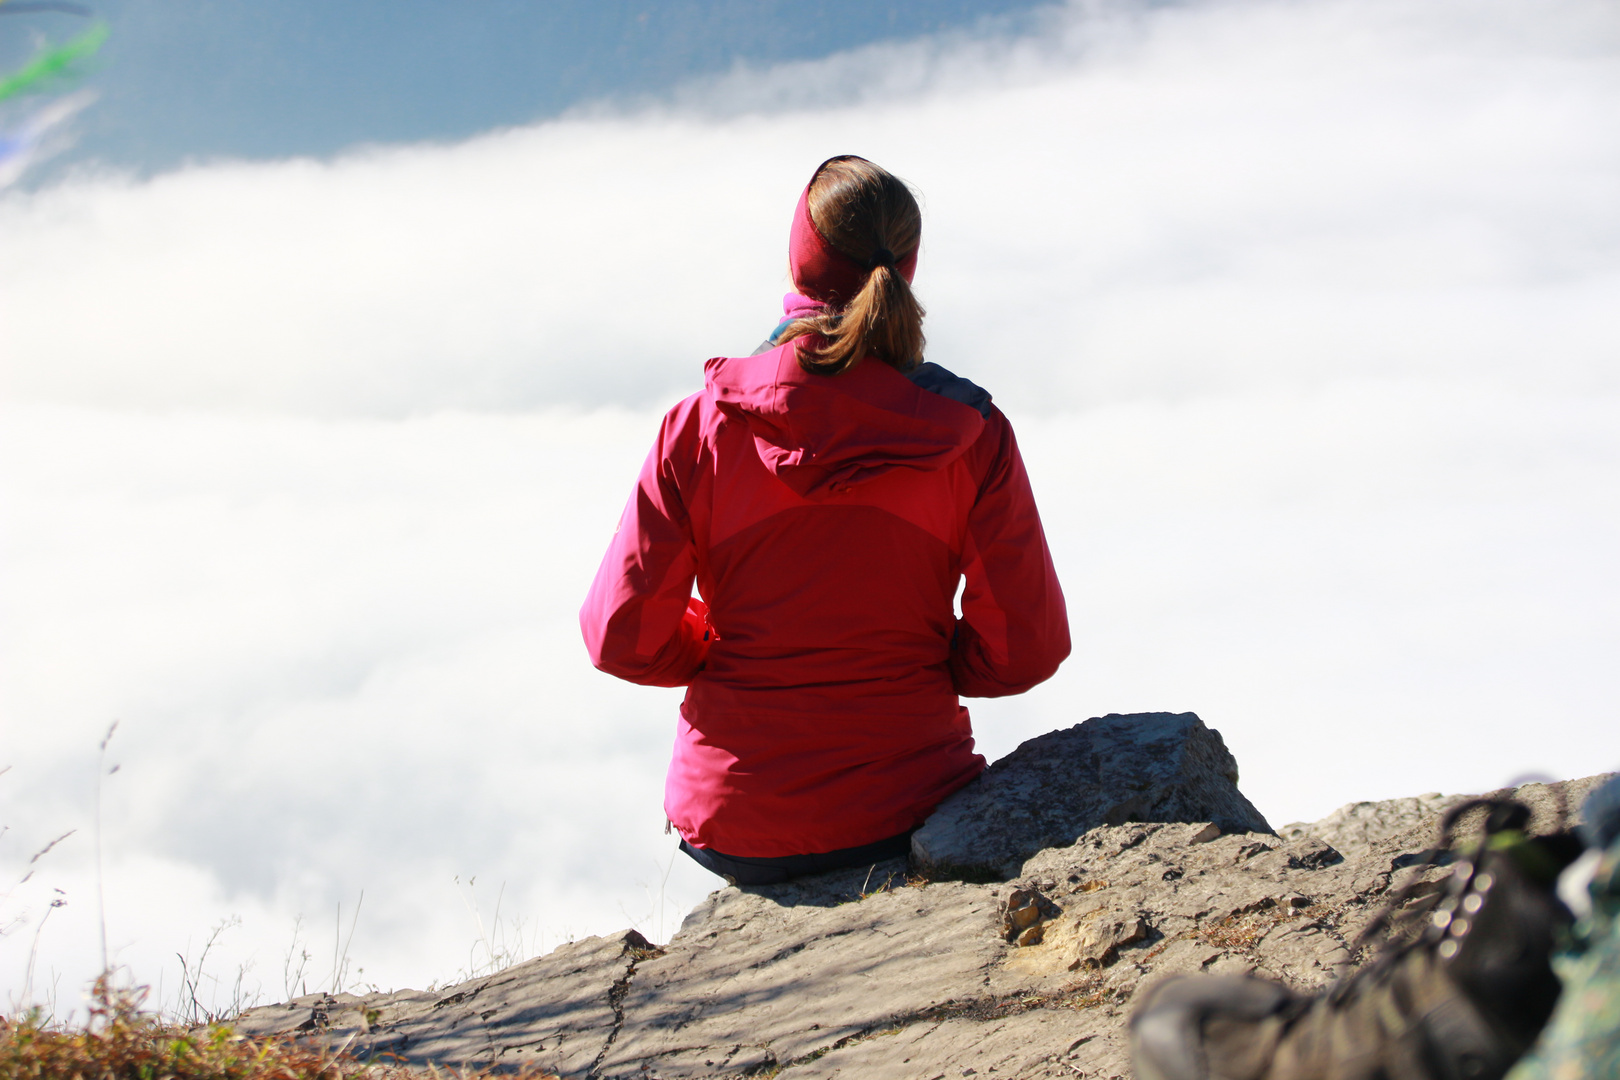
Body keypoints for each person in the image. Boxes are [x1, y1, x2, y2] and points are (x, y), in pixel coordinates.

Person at [580, 155, 1070, 885]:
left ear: (801, 261)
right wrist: (921, 664)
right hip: (912, 811)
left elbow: (622, 637)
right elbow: (1025, 648)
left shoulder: (700, 427)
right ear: (905, 266)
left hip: (735, 822)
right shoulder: (971, 434)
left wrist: (721, 645)